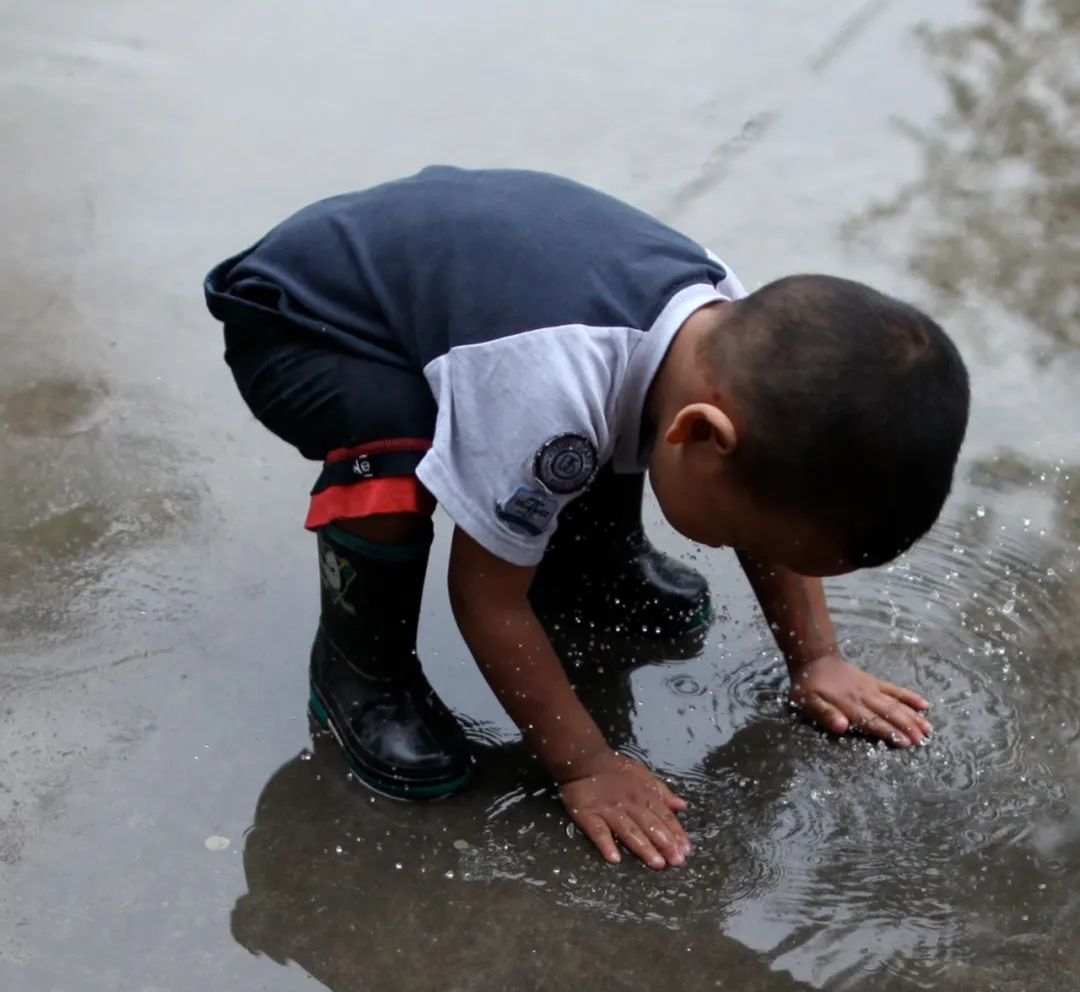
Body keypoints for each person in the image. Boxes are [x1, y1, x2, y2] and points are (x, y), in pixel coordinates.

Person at [204, 165, 970, 870]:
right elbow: (485, 597)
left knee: (585, 427)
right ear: (702, 433)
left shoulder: (736, 337)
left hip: (472, 303)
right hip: (306, 322)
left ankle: (583, 565)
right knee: (406, 448)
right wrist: (586, 764)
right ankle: (361, 669)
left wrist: (816, 659)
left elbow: (754, 485)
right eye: (750, 540)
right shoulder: (548, 392)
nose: (756, 554)